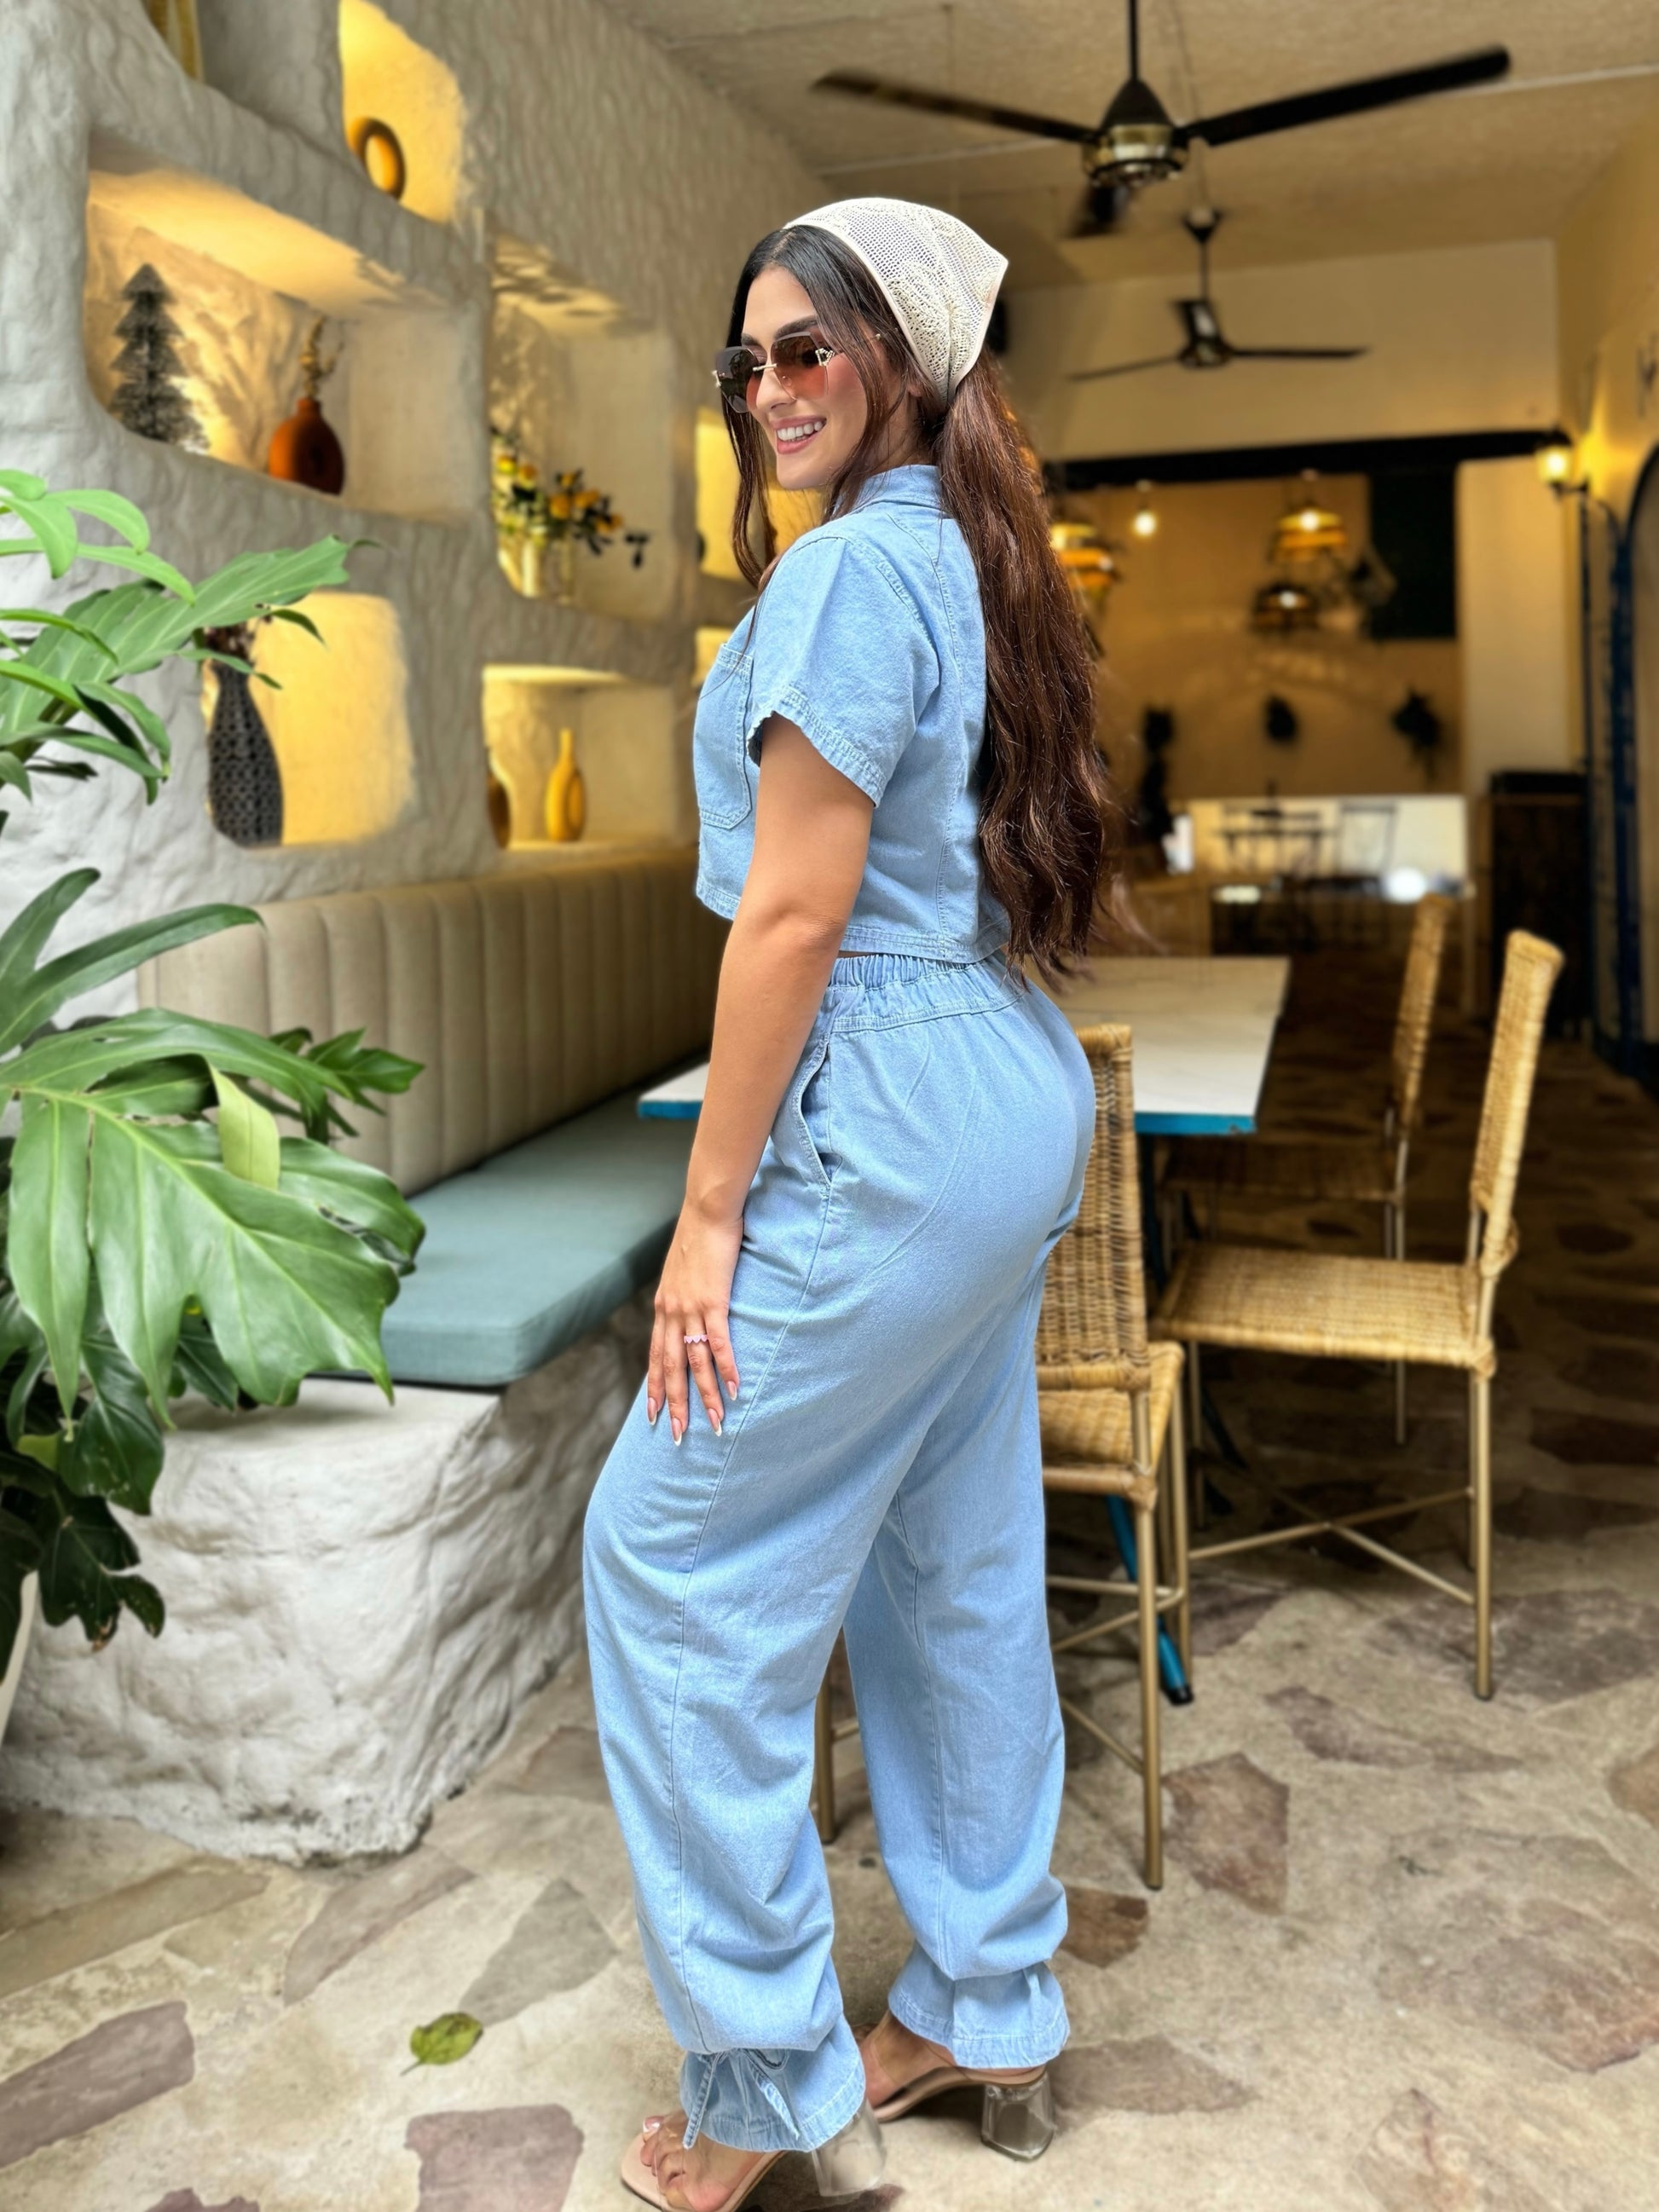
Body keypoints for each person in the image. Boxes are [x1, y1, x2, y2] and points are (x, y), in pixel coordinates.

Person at [584, 195, 1124, 2212]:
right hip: (1000, 1086)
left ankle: (766, 2084)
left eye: (806, 347)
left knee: (663, 1556)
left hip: (893, 1107)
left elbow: (796, 913)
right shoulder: (978, 564)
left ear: (904, 357)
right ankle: (989, 2001)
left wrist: (707, 1217)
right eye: (746, 361)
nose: (767, 389)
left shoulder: (842, 580)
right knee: (947, 1560)